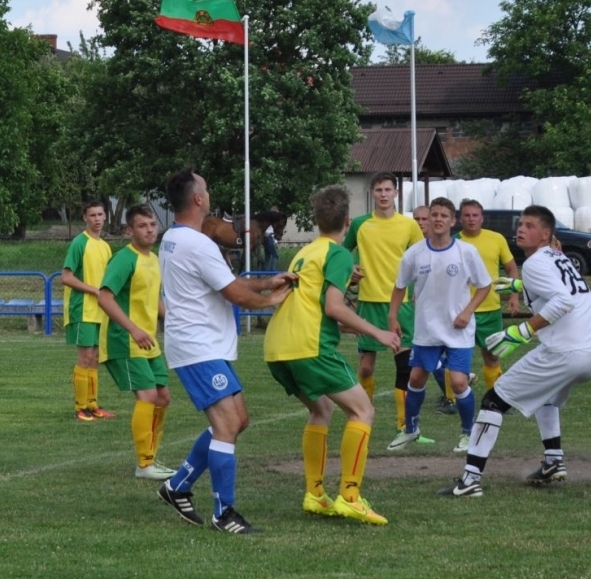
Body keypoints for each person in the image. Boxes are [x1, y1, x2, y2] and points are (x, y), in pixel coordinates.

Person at [155, 169, 294, 535]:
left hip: (202, 345)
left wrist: (268, 281)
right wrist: (274, 299)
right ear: (198, 199)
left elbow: (226, 283)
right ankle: (224, 513)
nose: (209, 193)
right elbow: (237, 295)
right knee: (227, 425)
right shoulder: (197, 244)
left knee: (237, 420)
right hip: (198, 346)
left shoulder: (175, 237)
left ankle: (178, 485)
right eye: (207, 188)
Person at [440, 205, 591, 498]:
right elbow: (563, 290)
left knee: (493, 401)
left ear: (546, 234)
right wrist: (520, 284)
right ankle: (553, 462)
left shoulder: (535, 263)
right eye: (521, 224)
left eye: (530, 226)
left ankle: (470, 481)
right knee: (546, 397)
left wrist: (522, 331)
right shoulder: (557, 257)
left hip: (567, 351)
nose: (521, 229)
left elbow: (561, 301)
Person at [266, 184, 399, 525]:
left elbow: (314, 299)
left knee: (321, 409)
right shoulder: (339, 254)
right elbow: (334, 307)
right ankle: (350, 496)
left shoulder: (306, 252)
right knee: (363, 410)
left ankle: (315, 494)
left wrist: (345, 301)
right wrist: (377, 331)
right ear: (348, 223)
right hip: (308, 346)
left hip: (277, 346)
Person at [387, 198, 492, 454]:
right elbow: (399, 286)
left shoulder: (466, 252)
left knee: (458, 383)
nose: (437, 219)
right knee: (416, 377)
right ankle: (410, 430)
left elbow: (485, 285)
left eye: (444, 215)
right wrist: (392, 317)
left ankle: (469, 434)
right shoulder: (415, 253)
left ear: (452, 221)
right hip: (427, 329)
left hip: (459, 330)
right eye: (434, 214)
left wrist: (467, 311)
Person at [94, 204, 175, 480]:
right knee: (148, 395)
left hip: (147, 340)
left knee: (163, 396)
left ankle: (150, 457)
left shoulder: (152, 259)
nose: (150, 229)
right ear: (130, 231)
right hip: (124, 340)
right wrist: (132, 329)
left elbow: (153, 300)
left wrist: (177, 320)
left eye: (152, 224)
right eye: (142, 225)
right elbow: (105, 297)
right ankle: (144, 464)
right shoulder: (124, 259)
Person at [343, 173, 425, 442]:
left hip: (401, 304)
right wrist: (349, 270)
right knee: (366, 368)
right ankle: (361, 416)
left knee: (404, 366)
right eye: (378, 189)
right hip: (368, 303)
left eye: (388, 189)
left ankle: (405, 426)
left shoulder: (409, 225)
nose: (383, 194)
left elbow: (423, 259)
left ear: (396, 193)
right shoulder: (360, 224)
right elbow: (342, 253)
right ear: (372, 193)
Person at [457, 200, 520, 403]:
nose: (471, 219)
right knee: (454, 357)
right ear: (460, 218)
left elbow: (511, 268)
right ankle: (452, 399)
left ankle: (495, 398)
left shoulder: (496, 239)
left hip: (490, 309)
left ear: (482, 218)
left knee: (492, 356)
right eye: (467, 215)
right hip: (461, 309)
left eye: (475, 215)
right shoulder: (453, 241)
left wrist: (513, 295)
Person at [62, 200, 114, 422]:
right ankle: (80, 407)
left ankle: (92, 405)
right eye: (92, 215)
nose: (97, 219)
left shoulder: (105, 246)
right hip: (82, 309)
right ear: (85, 218)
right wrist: (94, 290)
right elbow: (66, 277)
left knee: (95, 357)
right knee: (85, 356)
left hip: (100, 311)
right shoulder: (79, 243)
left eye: (100, 214)